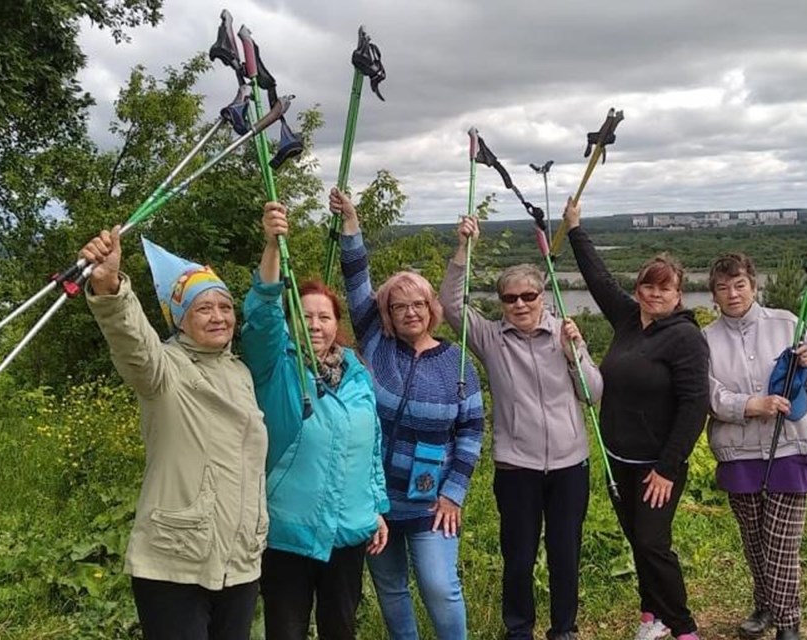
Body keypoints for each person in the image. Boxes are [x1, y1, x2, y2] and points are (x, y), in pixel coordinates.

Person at [79, 229, 266, 640]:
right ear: (179, 318)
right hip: (175, 562)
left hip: (240, 562)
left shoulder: (241, 372)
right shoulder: (165, 369)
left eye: (225, 306)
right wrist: (109, 287)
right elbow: (133, 343)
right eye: (203, 309)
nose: (218, 316)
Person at [333, 187, 484, 640]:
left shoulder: (457, 362)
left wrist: (453, 492)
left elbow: (472, 429)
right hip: (376, 499)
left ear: (431, 309)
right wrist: (351, 223)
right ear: (388, 314)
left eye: (418, 304)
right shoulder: (377, 346)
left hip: (430, 500)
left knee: (440, 587)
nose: (411, 312)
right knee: (392, 589)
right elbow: (356, 278)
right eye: (400, 306)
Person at [441, 216, 601, 640]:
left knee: (565, 552)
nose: (520, 304)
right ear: (502, 303)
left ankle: (564, 628)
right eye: (510, 298)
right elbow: (451, 305)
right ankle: (519, 629)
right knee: (519, 555)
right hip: (517, 466)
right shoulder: (491, 339)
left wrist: (576, 353)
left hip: (570, 464)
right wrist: (463, 248)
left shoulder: (564, 333)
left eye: (528, 295)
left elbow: (593, 393)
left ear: (543, 295)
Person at [241, 202, 390, 640]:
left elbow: (371, 449)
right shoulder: (278, 368)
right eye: (304, 316)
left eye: (324, 316)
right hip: (289, 531)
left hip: (348, 531)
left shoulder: (358, 373)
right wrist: (272, 245)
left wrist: (376, 509)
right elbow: (262, 315)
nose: (316, 324)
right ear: (291, 323)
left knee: (340, 629)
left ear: (337, 324)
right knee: (286, 631)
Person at [563, 199, 710, 640]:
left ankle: (683, 627)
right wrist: (575, 229)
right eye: (648, 286)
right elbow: (599, 279)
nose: (654, 294)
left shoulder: (686, 338)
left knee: (651, 542)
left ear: (679, 294)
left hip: (655, 465)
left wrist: (667, 468)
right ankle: (652, 614)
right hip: (618, 459)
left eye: (665, 289)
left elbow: (694, 405)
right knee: (637, 540)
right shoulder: (629, 319)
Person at [703, 253, 807, 640]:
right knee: (755, 540)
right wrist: (749, 406)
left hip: (790, 448)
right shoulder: (705, 340)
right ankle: (764, 604)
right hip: (737, 452)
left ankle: (788, 622)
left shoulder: (788, 323)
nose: (733, 293)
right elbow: (708, 395)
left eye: (740, 284)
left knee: (781, 541)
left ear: (754, 286)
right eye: (723, 287)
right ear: (713, 295)